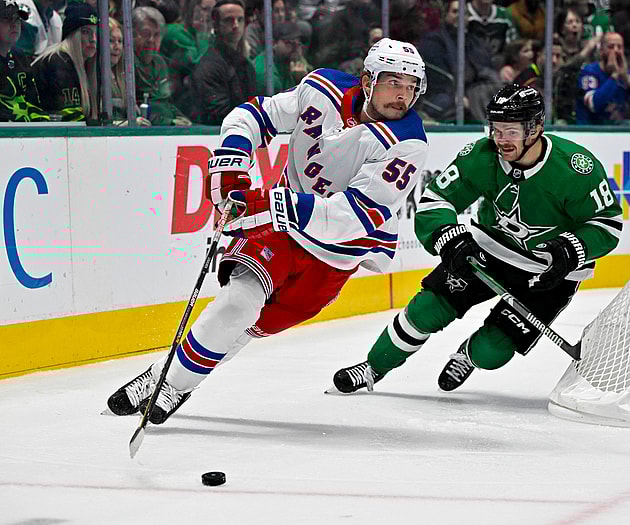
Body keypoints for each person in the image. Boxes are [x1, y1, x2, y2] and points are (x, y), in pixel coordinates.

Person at [106, 38, 429, 424]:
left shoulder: (408, 142)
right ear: (368, 79)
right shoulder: (322, 88)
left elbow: (352, 217)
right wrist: (230, 160)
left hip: (337, 255)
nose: (403, 95)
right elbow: (254, 114)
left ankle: (165, 375)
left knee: (247, 327)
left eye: (411, 86)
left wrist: (268, 204)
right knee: (237, 304)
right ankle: (172, 386)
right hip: (281, 234)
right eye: (394, 82)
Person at [331, 85, 623, 395]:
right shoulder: (481, 156)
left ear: (536, 128)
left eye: (511, 131)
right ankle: (373, 367)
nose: (500, 139)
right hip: (490, 251)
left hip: (548, 272)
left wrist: (570, 249)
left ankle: (468, 355)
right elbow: (437, 200)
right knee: (427, 309)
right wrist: (447, 236)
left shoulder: (575, 168)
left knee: (492, 351)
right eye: (496, 129)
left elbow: (607, 225)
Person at [32, 1, 98, 121]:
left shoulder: (83, 65)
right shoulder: (58, 63)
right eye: (86, 32)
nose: (93, 39)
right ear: (73, 34)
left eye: (95, 33)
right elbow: (71, 120)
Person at [192, 0, 256, 124]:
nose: (236, 25)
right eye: (228, 20)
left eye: (240, 20)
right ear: (215, 25)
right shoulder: (209, 66)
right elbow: (218, 115)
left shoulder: (245, 65)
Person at [132, 6, 191, 126]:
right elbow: (137, 111)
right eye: (145, 33)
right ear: (131, 35)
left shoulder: (160, 62)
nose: (151, 40)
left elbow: (166, 102)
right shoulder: (127, 63)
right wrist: (171, 122)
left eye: (157, 35)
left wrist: (182, 118)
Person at [575, 32, 630, 125]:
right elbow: (594, 105)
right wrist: (614, 76)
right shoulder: (589, 72)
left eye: (619, 47)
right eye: (611, 47)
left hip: (617, 132)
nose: (616, 51)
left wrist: (626, 79)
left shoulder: (627, 75)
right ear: (601, 50)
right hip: (589, 131)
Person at [0, 0, 48, 122]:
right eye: (6, 19)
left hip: (23, 134)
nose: (14, 24)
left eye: (17, 19)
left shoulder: (19, 57)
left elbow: (34, 104)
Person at [108, 17, 150, 126]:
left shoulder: (123, 77)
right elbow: (97, 124)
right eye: (110, 41)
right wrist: (129, 124)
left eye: (120, 41)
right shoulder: (94, 78)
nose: (117, 47)